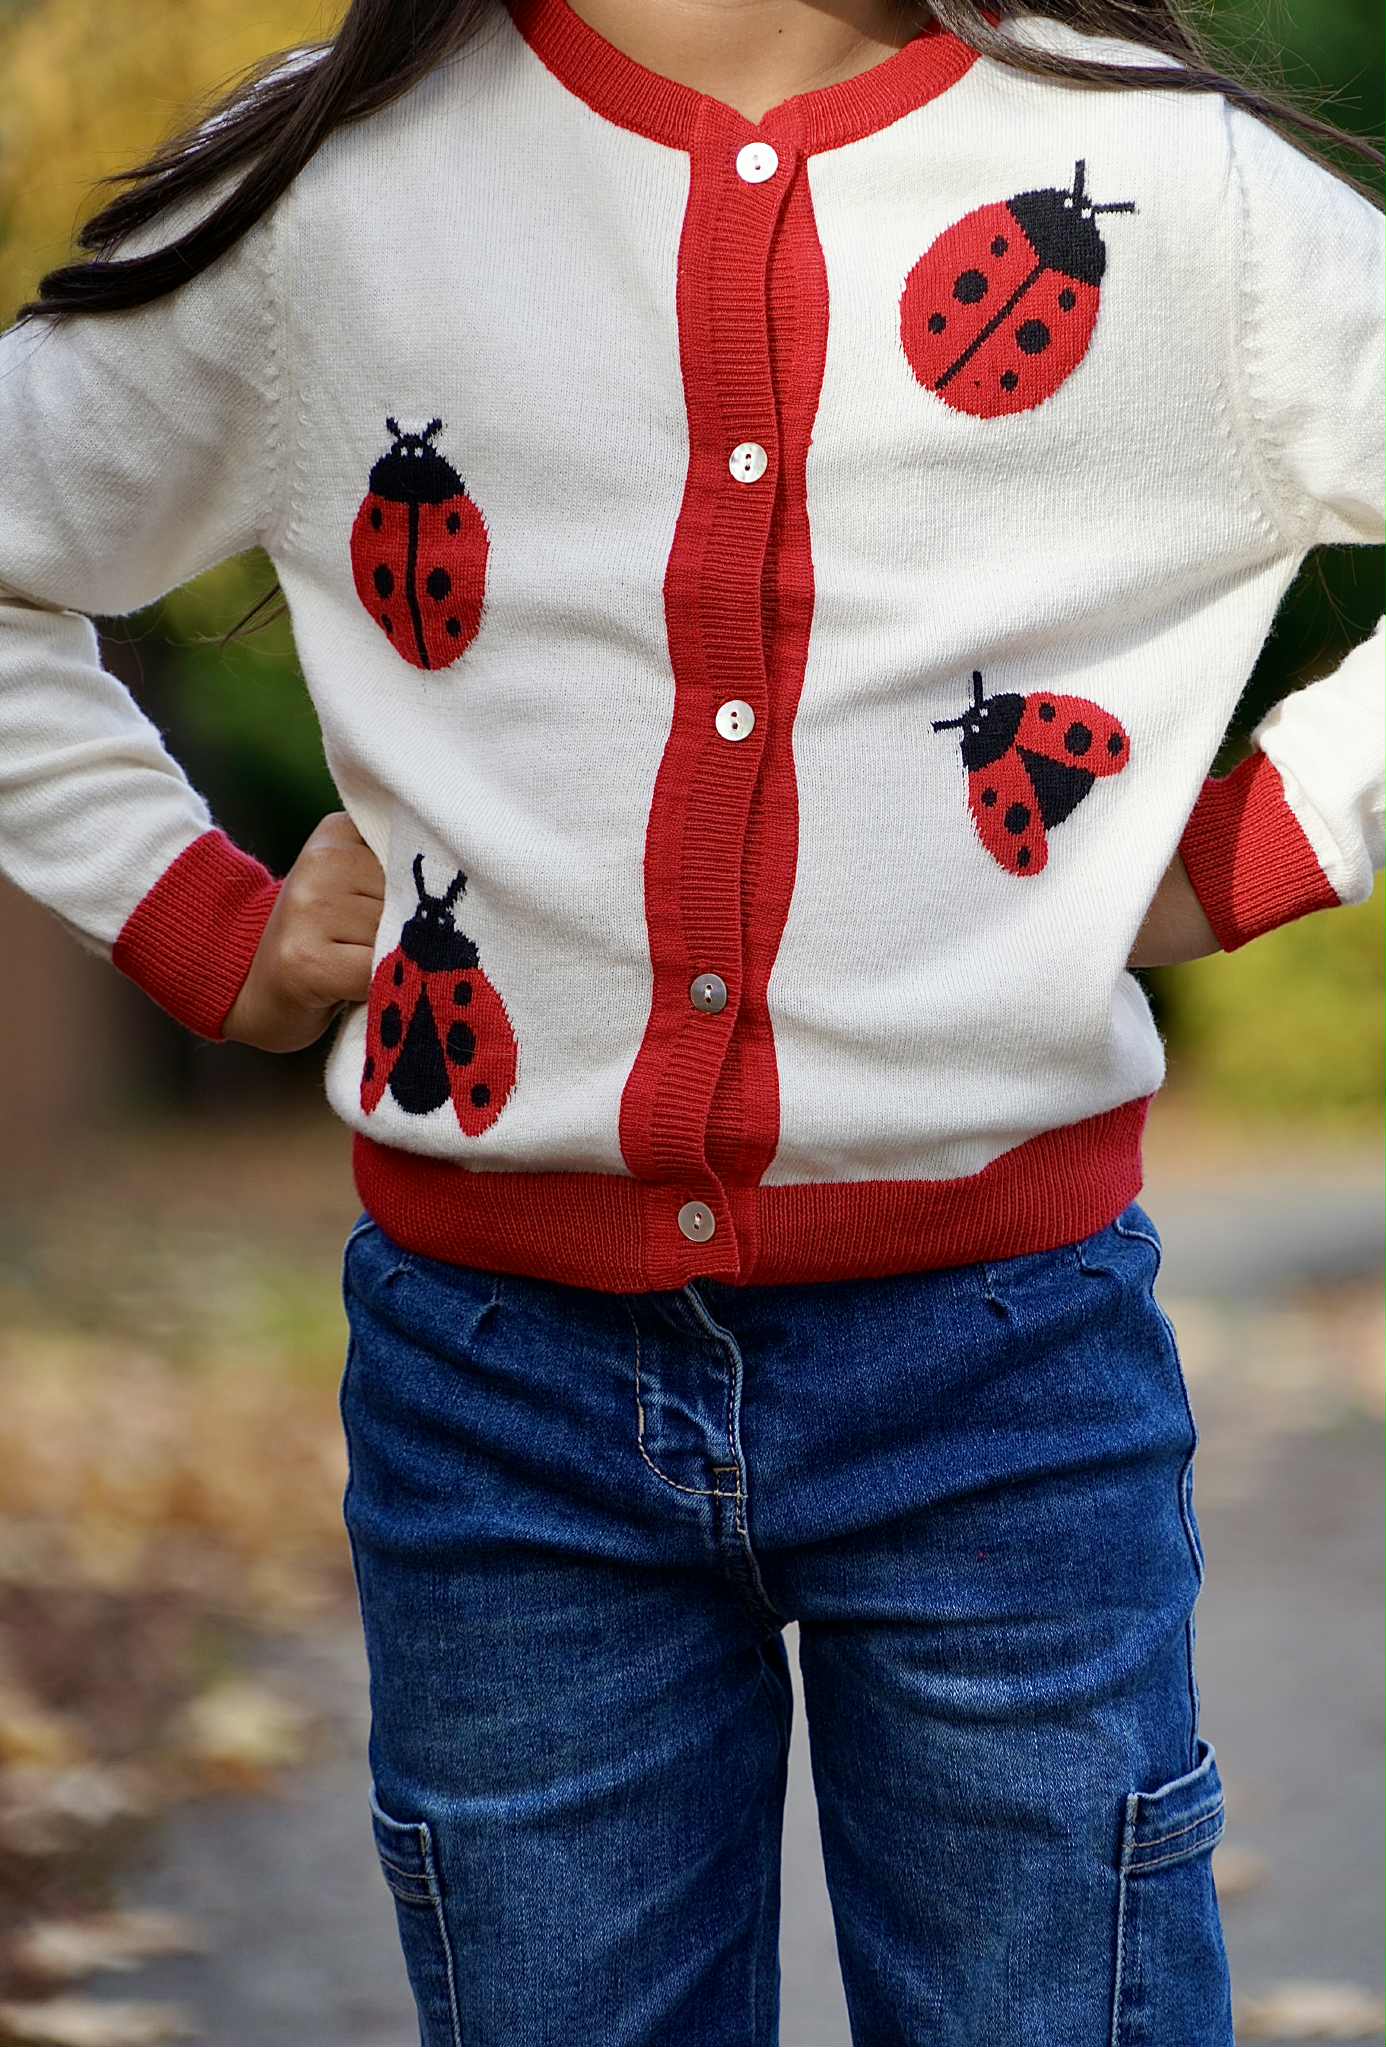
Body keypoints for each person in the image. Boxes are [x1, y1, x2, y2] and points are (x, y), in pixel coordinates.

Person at [1, 0, 1382, 2038]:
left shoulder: (1178, 184)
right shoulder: (341, 184)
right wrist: (195, 914)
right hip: (501, 1394)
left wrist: (1266, 835)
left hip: (1004, 1366)